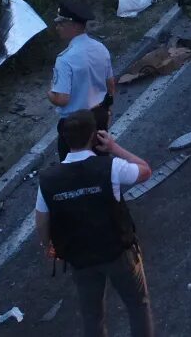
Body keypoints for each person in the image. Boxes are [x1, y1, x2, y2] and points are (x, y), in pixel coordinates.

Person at [36, 112, 155, 337]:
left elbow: (41, 220)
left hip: (81, 258)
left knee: (92, 316)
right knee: (137, 306)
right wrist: (114, 147)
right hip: (118, 251)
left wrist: (49, 246)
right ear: (94, 136)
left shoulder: (48, 179)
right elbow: (145, 170)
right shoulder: (111, 167)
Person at [48, 0, 113, 159]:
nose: (57, 27)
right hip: (98, 116)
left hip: (75, 125)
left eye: (61, 23)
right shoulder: (100, 48)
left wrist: (50, 93)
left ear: (75, 26)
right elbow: (110, 83)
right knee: (101, 163)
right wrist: (107, 110)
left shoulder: (65, 59)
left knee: (72, 171)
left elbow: (62, 99)